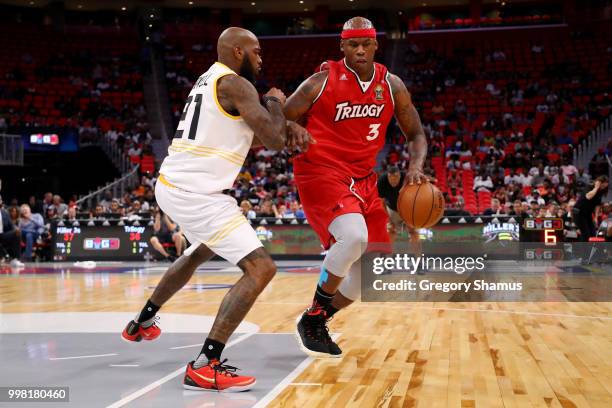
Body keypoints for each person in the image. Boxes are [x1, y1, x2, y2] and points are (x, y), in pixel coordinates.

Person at [121, 27, 310, 392]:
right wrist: (275, 103)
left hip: (175, 185)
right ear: (238, 51)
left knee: (198, 251)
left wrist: (289, 127)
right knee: (260, 268)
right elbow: (271, 139)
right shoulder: (239, 85)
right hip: (198, 193)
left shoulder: (209, 79)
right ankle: (205, 364)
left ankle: (142, 321)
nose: (261, 58)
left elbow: (248, 133)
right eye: (256, 51)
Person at [283, 17, 428, 358]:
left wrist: (415, 166)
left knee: (370, 275)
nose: (360, 50)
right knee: (355, 236)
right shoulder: (319, 82)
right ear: (342, 46)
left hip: (363, 180)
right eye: (353, 44)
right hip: (320, 170)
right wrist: (291, 127)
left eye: (366, 44)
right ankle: (317, 317)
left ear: (377, 45)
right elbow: (280, 118)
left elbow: (416, 133)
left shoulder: (391, 85)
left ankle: (313, 319)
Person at [572, 175, 608, 241]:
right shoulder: (590, 186)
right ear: (599, 183)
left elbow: (598, 205)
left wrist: (596, 217)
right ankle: (582, 249)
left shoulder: (601, 191)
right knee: (586, 233)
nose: (603, 188)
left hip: (587, 214)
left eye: (605, 187)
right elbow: (588, 197)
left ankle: (591, 250)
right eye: (602, 186)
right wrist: (596, 188)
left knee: (593, 233)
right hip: (579, 212)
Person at [0, 198, 23, 267]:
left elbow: (11, 226)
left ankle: (16, 260)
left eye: (0, 200)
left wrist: (16, 230)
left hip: (2, 235)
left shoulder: (4, 212)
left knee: (16, 233)